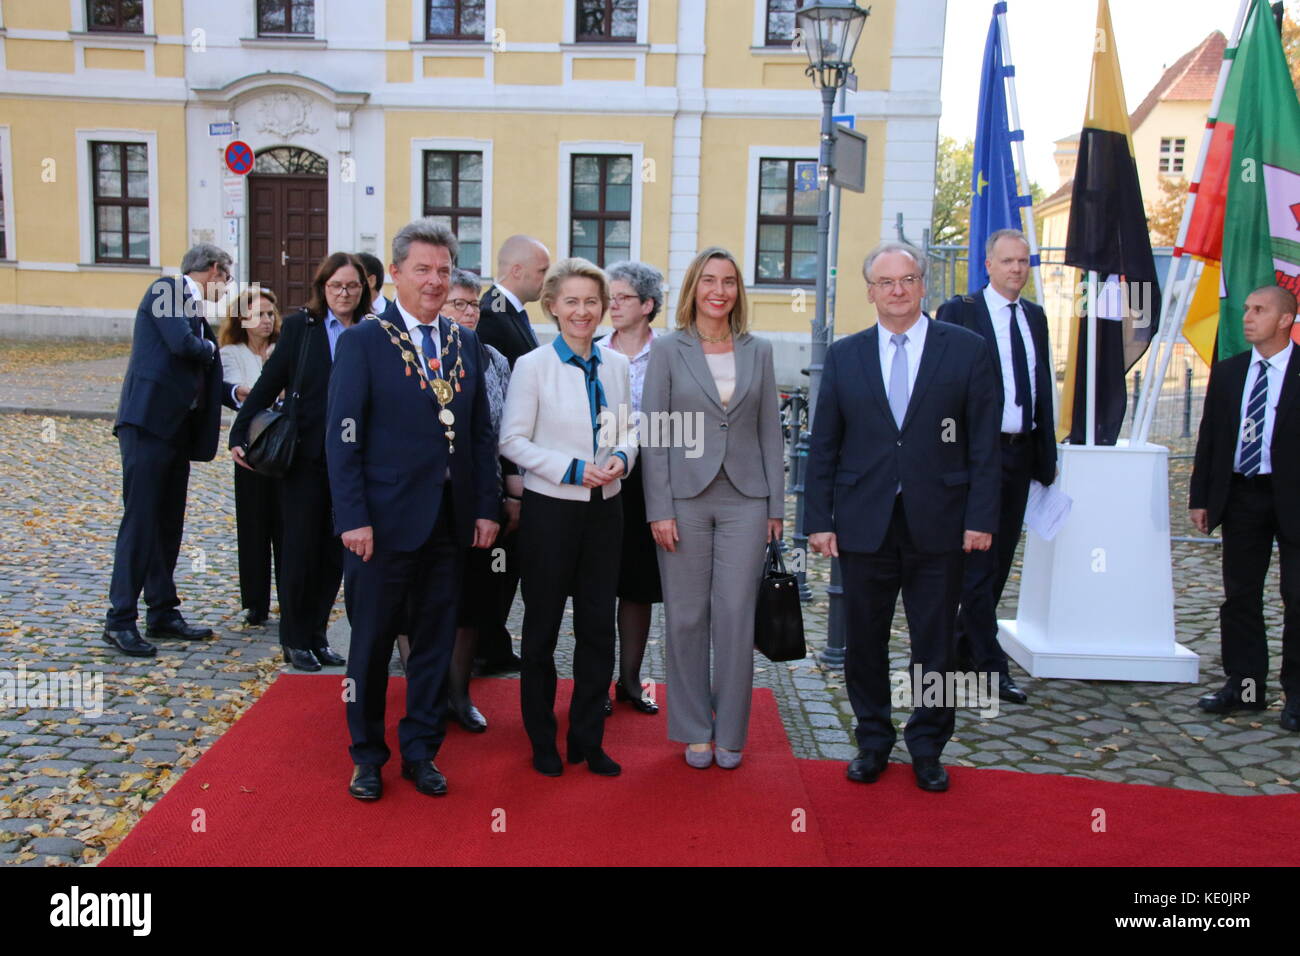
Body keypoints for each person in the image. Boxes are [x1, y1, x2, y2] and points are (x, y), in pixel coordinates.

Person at [805, 241, 1000, 793]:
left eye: (908, 279)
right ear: (869, 291)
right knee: (863, 639)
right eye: (886, 281)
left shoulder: (965, 350)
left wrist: (981, 517)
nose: (898, 289)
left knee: (934, 641)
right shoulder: (846, 355)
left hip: (941, 520)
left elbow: (984, 443)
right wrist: (820, 519)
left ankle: (928, 745)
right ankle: (872, 739)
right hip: (864, 522)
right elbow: (825, 445)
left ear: (922, 285)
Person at [326, 219, 500, 801]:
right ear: (395, 274)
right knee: (372, 644)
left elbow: (478, 434)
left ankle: (422, 750)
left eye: (443, 271)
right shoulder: (363, 342)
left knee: (434, 642)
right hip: (380, 525)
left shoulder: (464, 342)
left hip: (449, 524)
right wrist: (352, 518)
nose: (433, 281)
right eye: (422, 270)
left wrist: (484, 507)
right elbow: (342, 438)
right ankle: (367, 756)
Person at [641, 247, 784, 770]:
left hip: (747, 500)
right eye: (708, 281)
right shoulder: (667, 350)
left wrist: (776, 506)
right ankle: (694, 728)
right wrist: (659, 507)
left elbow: (771, 430)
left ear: (738, 291)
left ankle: (731, 732)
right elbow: (655, 435)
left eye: (728, 281)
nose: (718, 291)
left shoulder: (759, 351)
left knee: (734, 616)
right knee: (685, 617)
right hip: (684, 499)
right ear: (693, 289)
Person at [499, 257, 636, 777]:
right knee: (541, 630)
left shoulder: (617, 365)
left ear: (605, 309)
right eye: (572, 301)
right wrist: (572, 469)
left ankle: (588, 738)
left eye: (593, 302)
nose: (583, 311)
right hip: (551, 512)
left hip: (607, 512)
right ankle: (541, 738)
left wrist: (624, 456)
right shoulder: (532, 366)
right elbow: (512, 440)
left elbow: (630, 428)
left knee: (599, 628)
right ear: (553, 306)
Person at [231, 253, 369, 671]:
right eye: (335, 286)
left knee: (334, 554)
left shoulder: (373, 331)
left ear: (363, 290)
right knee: (299, 550)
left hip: (353, 460)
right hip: (305, 458)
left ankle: (318, 635)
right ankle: (294, 638)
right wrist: (240, 432)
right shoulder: (300, 328)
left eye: (352, 287)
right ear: (322, 288)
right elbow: (269, 383)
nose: (343, 294)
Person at [936, 228, 1056, 705]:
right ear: (988, 265)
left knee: (1000, 560)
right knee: (976, 564)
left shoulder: (1036, 318)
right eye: (1008, 261)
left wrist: (1045, 457)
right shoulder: (961, 312)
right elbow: (944, 388)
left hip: (1020, 452)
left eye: (1024, 261)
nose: (1017, 269)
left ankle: (964, 648)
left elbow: (1040, 385)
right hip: (974, 458)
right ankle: (990, 666)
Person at [103, 244, 241, 658]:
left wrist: (239, 394)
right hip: (148, 425)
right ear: (213, 270)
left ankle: (162, 610)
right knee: (141, 522)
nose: (226, 289)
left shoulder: (194, 310)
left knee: (167, 524)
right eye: (227, 280)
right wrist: (214, 349)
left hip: (177, 431)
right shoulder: (167, 291)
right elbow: (183, 347)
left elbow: (205, 375)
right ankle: (119, 619)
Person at [1189, 284, 1300, 732]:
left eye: (1260, 310)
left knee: (1297, 596)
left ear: (1286, 320)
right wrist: (1201, 497)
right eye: (1246, 309)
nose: (1247, 317)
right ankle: (1246, 686)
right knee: (1240, 595)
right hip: (1243, 496)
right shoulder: (1231, 372)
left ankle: (1296, 696)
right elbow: (1210, 437)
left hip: (1293, 497)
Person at [420, 267, 513, 732]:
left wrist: (506, 493)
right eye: (458, 303)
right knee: (421, 602)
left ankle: (459, 693)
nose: (468, 312)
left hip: (481, 494)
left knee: (472, 600)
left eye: (473, 304)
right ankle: (427, 696)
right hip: (424, 498)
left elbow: (504, 433)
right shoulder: (419, 354)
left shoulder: (495, 359)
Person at [475, 235, 551, 674]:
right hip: (506, 469)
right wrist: (508, 478)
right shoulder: (492, 318)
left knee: (507, 566)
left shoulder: (512, 314)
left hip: (521, 464)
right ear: (517, 271)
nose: (545, 280)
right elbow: (496, 407)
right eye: (541, 272)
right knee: (497, 566)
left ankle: (493, 641)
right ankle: (487, 644)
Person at [599, 260, 665, 715]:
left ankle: (629, 680)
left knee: (639, 586)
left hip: (653, 480)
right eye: (610, 296)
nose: (612, 305)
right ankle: (595, 681)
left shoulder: (672, 354)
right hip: (601, 476)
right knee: (599, 582)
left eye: (622, 297)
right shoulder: (594, 350)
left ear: (647, 305)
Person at [220, 287, 283, 628]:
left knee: (286, 527)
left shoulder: (282, 349)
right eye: (259, 314)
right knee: (253, 526)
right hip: (251, 446)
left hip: (283, 444)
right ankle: (255, 602)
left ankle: (290, 597)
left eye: (270, 314)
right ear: (242, 319)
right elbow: (237, 393)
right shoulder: (231, 352)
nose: (266, 320)